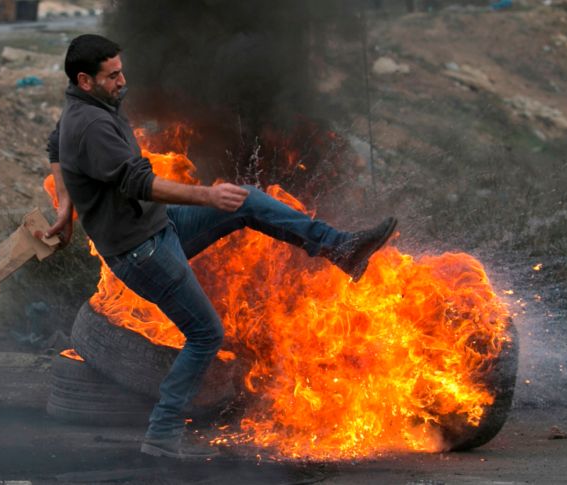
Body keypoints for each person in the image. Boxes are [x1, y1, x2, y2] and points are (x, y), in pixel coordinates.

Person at [44, 34, 397, 460]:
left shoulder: (85, 109)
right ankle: (162, 435)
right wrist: (208, 196)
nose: (123, 81)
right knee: (206, 334)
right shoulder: (92, 125)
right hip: (142, 251)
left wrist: (66, 208)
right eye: (112, 75)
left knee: (247, 199)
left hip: (159, 228)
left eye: (121, 70)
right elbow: (137, 182)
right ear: (85, 80)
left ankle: (339, 248)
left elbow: (54, 144)